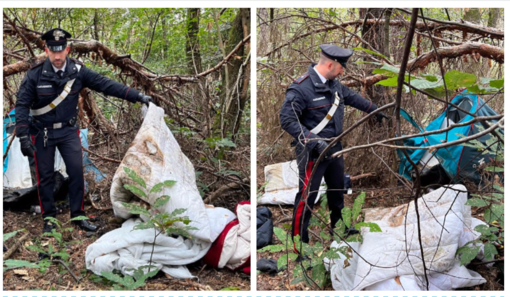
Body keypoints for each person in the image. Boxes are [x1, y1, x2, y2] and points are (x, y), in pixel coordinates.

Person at [15, 28, 153, 234]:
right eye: (53, 50)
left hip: (69, 132)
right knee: (45, 177)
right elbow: (22, 105)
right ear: (46, 50)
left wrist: (137, 96)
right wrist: (23, 135)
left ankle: (78, 216)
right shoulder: (35, 75)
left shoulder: (78, 71)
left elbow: (106, 85)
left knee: (76, 173)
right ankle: (49, 219)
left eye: (61, 50)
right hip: (41, 132)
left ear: (68, 49)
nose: (58, 55)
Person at [279, 44, 387, 251]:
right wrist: (313, 140)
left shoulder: (333, 84)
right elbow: (287, 120)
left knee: (337, 189)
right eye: (341, 67)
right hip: (313, 152)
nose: (343, 71)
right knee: (307, 197)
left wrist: (376, 110)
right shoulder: (301, 88)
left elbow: (352, 98)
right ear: (330, 64)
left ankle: (339, 228)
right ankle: (298, 245)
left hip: (335, 149)